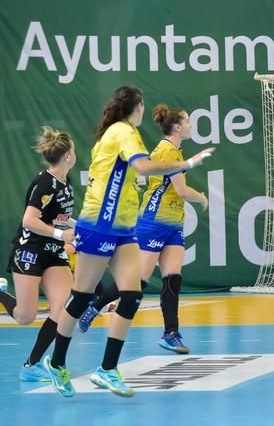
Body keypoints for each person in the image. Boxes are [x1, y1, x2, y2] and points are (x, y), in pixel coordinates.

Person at [42, 86, 214, 398]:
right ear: (135, 107)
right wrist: (188, 164)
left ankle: (107, 369)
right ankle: (56, 363)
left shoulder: (116, 133)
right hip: (100, 223)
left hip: (123, 226)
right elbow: (144, 167)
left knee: (133, 293)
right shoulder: (123, 132)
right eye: (142, 105)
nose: (143, 111)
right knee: (80, 298)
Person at [77, 103, 208, 355]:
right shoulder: (168, 151)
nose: (192, 125)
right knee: (139, 279)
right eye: (189, 121)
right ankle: (95, 306)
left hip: (173, 222)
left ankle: (171, 333)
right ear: (177, 127)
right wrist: (202, 197)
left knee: (173, 279)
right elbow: (181, 190)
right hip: (154, 221)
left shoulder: (175, 151)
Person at [0, 127, 76, 382]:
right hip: (30, 250)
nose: (75, 154)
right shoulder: (45, 182)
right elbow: (29, 220)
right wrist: (60, 235)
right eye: (73, 150)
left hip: (53, 253)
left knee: (63, 309)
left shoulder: (67, 182)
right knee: (25, 316)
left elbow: (61, 217)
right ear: (67, 156)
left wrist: (80, 227)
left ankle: (31, 364)